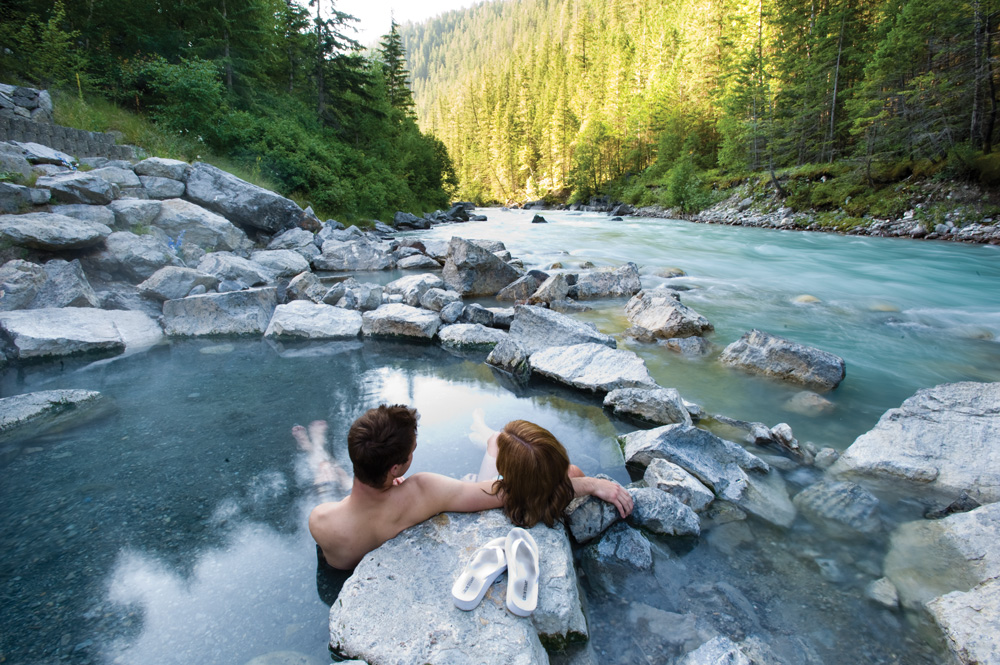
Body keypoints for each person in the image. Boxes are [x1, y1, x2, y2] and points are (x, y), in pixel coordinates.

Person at [297, 404, 633, 574]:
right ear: (396, 468)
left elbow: (355, 512)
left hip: (350, 520)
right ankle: (318, 453)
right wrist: (590, 483)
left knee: (327, 480)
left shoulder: (320, 522)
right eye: (412, 450)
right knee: (331, 478)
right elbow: (515, 491)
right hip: (395, 497)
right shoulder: (422, 493)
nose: (414, 452)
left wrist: (380, 487)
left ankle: (317, 454)